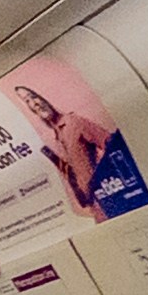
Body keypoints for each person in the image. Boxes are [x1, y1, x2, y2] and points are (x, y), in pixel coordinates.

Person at [16, 78, 116, 215]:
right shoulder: (57, 138)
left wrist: (110, 182)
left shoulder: (74, 122)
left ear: (43, 97)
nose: (34, 104)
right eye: (27, 102)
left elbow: (112, 145)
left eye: (33, 97)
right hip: (95, 208)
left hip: (110, 201)